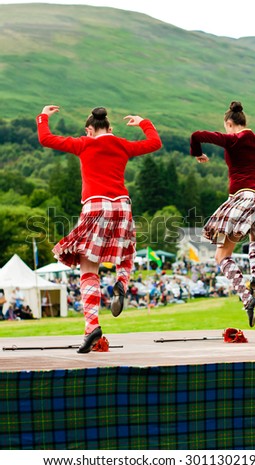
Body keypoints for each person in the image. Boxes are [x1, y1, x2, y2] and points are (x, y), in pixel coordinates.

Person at [36, 105, 162, 353]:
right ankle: (122, 283)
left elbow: (45, 139)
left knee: (88, 267)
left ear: (89, 130)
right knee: (126, 250)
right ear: (111, 129)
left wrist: (43, 116)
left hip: (95, 205)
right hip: (122, 205)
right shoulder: (123, 144)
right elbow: (155, 143)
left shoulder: (85, 143)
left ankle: (92, 326)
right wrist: (144, 122)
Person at [190, 101, 255, 327]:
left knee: (221, 255)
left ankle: (247, 297)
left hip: (242, 198)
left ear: (229, 124)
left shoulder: (231, 139)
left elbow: (196, 135)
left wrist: (197, 154)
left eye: (226, 127)